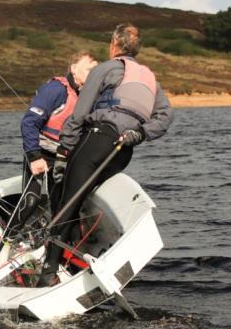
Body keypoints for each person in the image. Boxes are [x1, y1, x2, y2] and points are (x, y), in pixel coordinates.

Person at [38, 23, 173, 286]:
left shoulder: (106, 68)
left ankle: (48, 272)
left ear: (114, 44)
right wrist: (141, 133)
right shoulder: (151, 78)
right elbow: (166, 116)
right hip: (124, 151)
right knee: (85, 196)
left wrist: (64, 152)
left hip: (97, 140)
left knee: (68, 200)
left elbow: (79, 115)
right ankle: (73, 258)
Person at [12, 50, 97, 235]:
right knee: (31, 201)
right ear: (74, 68)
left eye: (95, 71)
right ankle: (6, 239)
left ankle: (52, 243)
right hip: (40, 153)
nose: (93, 74)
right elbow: (29, 122)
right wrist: (34, 157)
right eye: (89, 69)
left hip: (63, 157)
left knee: (61, 205)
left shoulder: (88, 97)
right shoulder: (55, 90)